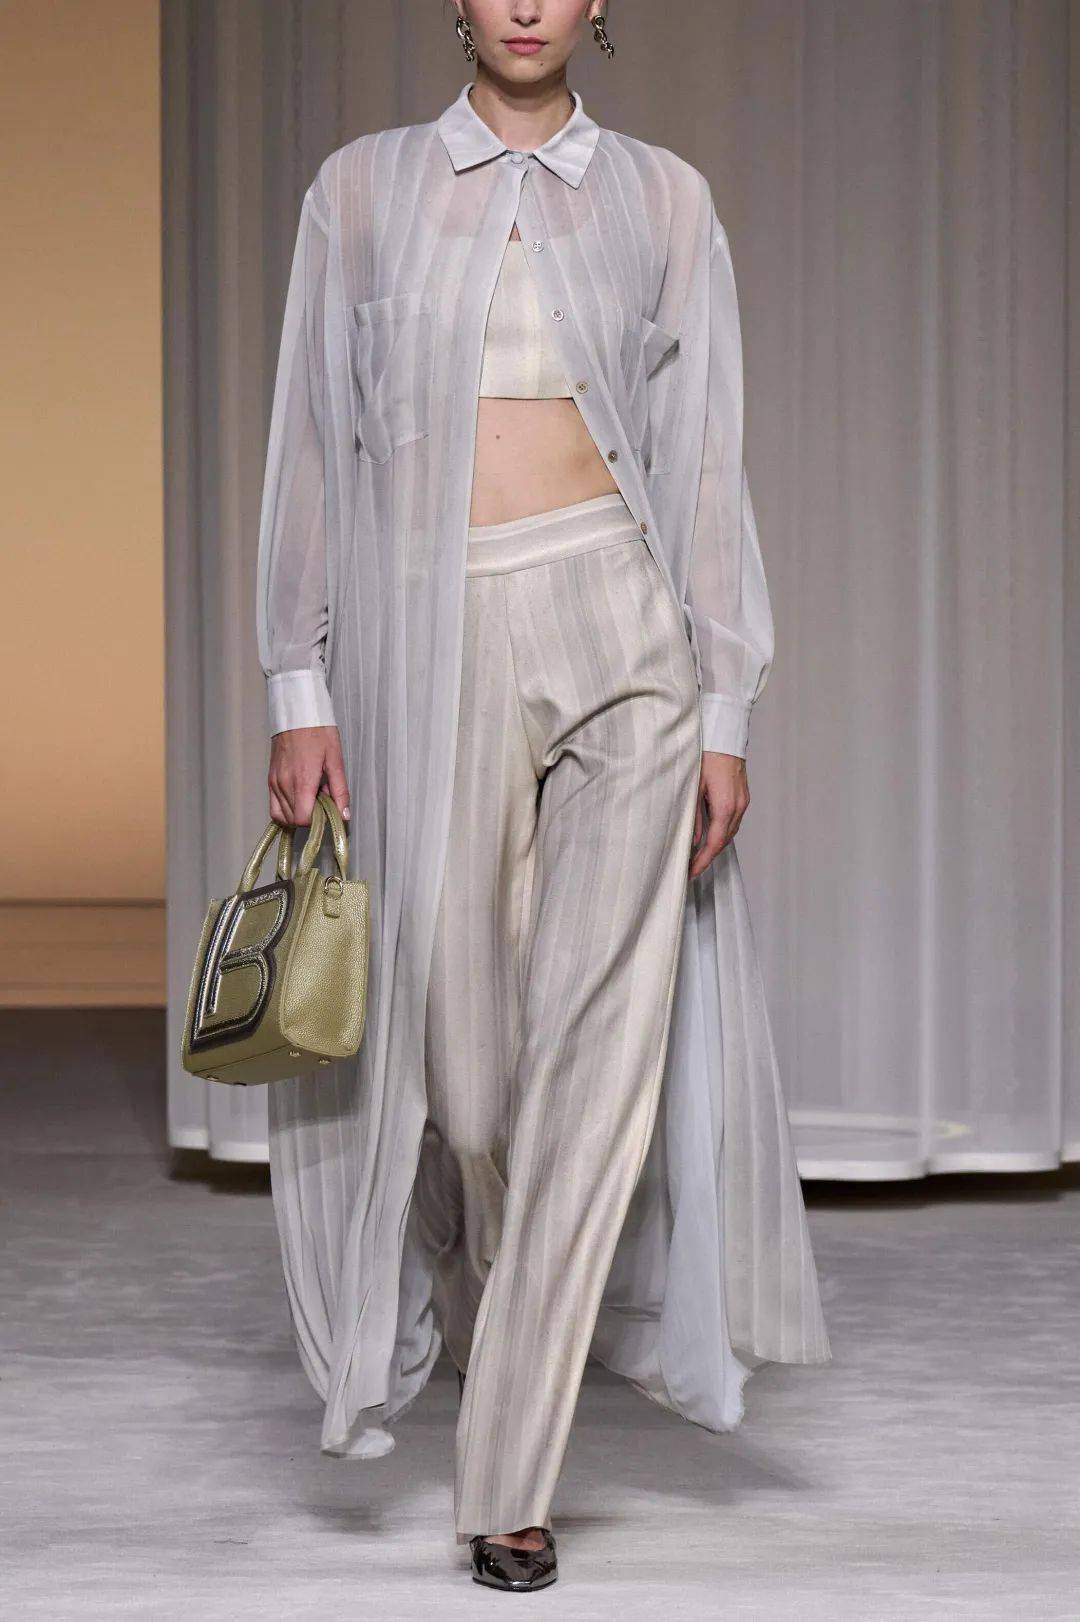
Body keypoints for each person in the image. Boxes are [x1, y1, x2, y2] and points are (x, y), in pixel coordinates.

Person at [255, 0, 831, 1594]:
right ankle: (483, 1285)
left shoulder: (664, 199)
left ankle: (508, 1476)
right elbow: (312, 439)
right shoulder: (362, 187)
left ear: (597, 5)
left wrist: (722, 703)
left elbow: (704, 456)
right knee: (470, 1084)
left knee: (598, 1057)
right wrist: (299, 682)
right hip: (433, 626)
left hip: (621, 627)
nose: (524, 1)